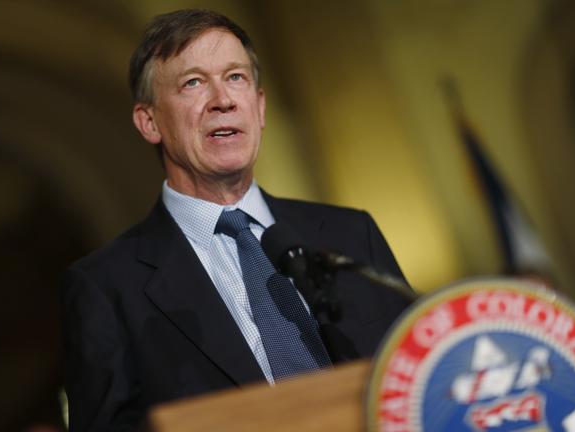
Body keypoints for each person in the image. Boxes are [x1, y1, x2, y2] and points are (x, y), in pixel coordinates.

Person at [61, 9, 411, 432]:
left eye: (235, 77)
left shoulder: (352, 234)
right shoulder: (106, 287)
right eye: (193, 83)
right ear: (149, 122)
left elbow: (422, 375)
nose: (223, 100)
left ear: (259, 107)